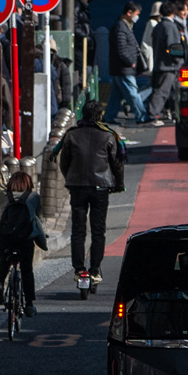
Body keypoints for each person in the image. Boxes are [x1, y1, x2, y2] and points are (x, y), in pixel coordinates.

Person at [58, 98, 126, 289]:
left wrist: (71, 179)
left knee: (78, 230)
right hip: (100, 187)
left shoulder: (72, 135)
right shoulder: (108, 135)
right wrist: (118, 184)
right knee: (98, 230)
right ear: (100, 116)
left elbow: (64, 163)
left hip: (77, 187)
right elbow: (117, 164)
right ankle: (95, 269)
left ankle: (79, 269)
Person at [0, 166, 45, 316]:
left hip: (5, 239)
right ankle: (29, 304)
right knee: (27, 269)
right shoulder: (34, 197)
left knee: (4, 261)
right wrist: (43, 235)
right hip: (25, 239)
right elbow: (40, 219)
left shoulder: (2, 196)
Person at [107, 2, 147, 124]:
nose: (137, 17)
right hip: (124, 67)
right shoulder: (121, 27)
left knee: (117, 95)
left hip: (120, 67)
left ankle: (109, 116)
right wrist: (131, 62)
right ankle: (142, 116)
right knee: (132, 93)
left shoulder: (124, 26)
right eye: (136, 14)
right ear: (129, 13)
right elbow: (121, 48)